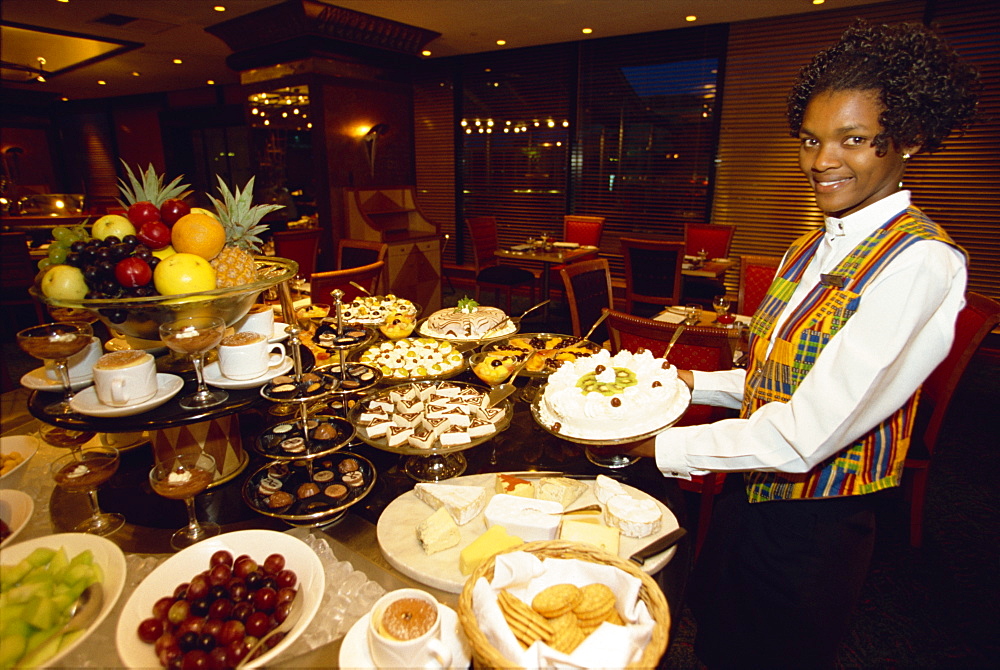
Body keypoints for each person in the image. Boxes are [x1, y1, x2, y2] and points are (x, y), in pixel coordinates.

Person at [624, 20, 979, 668]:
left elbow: (809, 429)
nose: (821, 160)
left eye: (852, 139)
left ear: (909, 139)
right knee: (715, 638)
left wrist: (654, 442)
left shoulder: (922, 262)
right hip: (747, 490)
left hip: (814, 527)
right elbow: (781, 377)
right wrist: (686, 385)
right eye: (811, 140)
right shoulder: (808, 244)